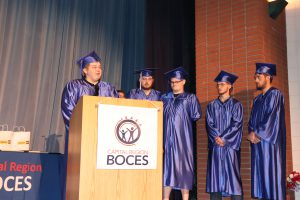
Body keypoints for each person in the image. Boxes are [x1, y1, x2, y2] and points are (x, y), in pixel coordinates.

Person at [60, 51, 118, 199]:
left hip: (106, 142)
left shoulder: (108, 88)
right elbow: (69, 113)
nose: (98, 69)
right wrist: (83, 131)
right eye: (94, 66)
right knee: (79, 177)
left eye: (99, 66)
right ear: (85, 70)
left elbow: (117, 111)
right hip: (81, 140)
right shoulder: (73, 86)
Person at [161, 66, 201, 200]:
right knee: (167, 170)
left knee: (184, 170)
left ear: (183, 82)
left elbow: (196, 115)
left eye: (176, 82)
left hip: (184, 141)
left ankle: (185, 198)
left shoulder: (190, 98)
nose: (174, 85)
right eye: (172, 82)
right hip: (167, 140)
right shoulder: (164, 98)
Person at [247, 63, 286, 200]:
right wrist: (251, 133)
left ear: (268, 77)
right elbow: (251, 121)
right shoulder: (257, 99)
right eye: (255, 77)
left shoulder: (275, 94)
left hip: (270, 145)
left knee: (271, 178)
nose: (256, 80)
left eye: (258, 77)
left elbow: (272, 117)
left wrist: (257, 133)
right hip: (258, 145)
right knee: (261, 179)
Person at [205, 70, 243, 200]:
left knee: (233, 179)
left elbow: (237, 123)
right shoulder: (211, 106)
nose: (219, 86)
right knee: (215, 179)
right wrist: (217, 138)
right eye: (218, 84)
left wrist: (224, 138)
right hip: (216, 147)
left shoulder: (236, 105)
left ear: (230, 86)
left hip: (230, 147)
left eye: (222, 84)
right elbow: (209, 124)